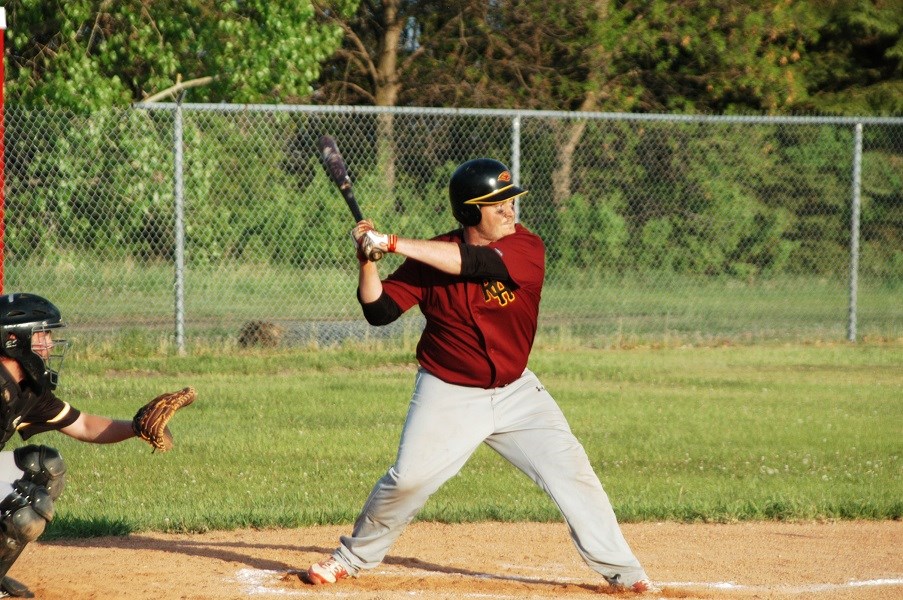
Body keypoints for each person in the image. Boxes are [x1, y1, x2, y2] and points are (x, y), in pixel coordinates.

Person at [305, 158, 659, 594]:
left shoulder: (527, 247)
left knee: (574, 474)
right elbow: (379, 312)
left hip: (518, 393)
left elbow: (475, 263)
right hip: (448, 392)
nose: (511, 210)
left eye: (510, 200)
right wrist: (368, 260)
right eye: (498, 204)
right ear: (470, 213)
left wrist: (392, 241)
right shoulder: (430, 257)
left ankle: (623, 571)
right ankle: (350, 558)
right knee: (408, 480)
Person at [0, 293, 165, 598]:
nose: (48, 345)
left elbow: (84, 425)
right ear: (13, 338)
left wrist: (136, 427)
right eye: (42, 334)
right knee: (24, 505)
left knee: (44, 468)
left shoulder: (28, 390)